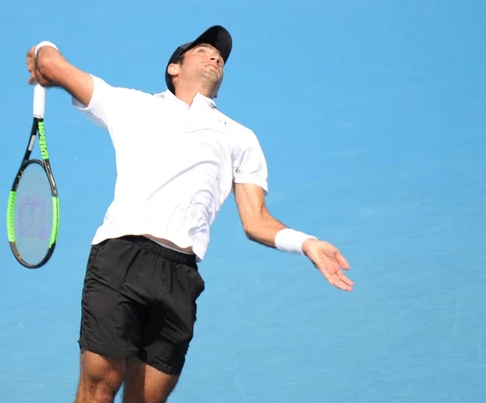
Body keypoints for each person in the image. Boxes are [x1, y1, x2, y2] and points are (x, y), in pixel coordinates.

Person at [25, 25, 353, 403]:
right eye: (202, 50)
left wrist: (307, 243)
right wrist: (43, 54)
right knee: (99, 387)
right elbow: (52, 62)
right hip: (121, 259)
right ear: (173, 69)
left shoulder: (240, 137)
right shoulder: (130, 104)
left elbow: (256, 220)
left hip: (180, 275)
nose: (215, 56)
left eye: (220, 56)